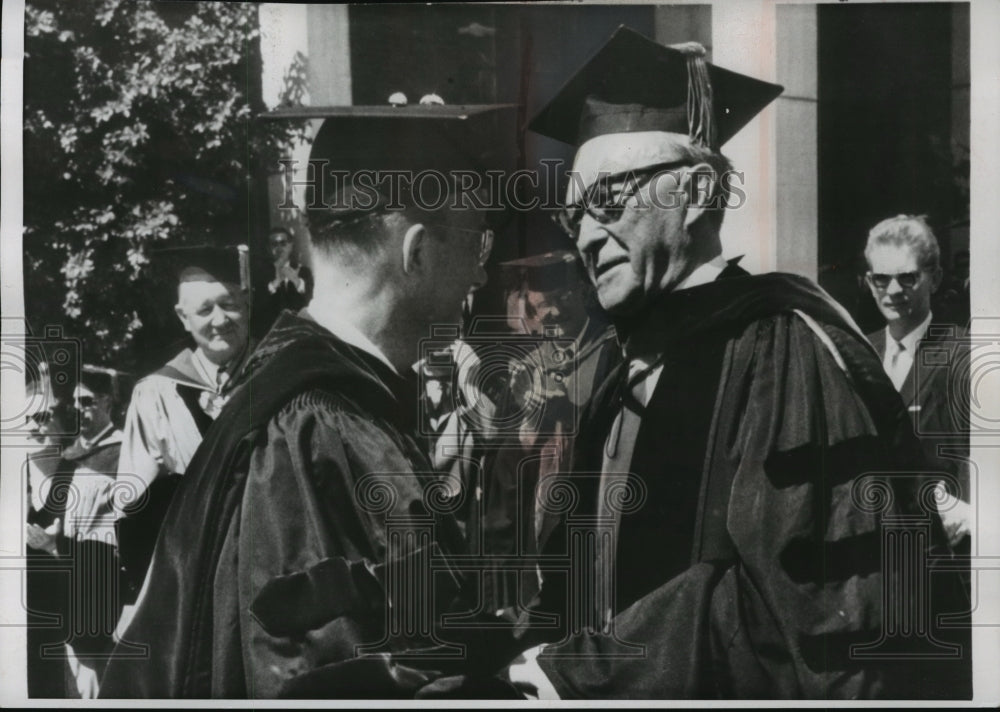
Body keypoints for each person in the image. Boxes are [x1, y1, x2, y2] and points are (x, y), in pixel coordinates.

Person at [506, 26, 969, 699]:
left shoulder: (783, 347)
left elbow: (799, 612)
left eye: (606, 200)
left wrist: (590, 672)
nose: (582, 233)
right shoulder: (619, 366)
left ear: (694, 193)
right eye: (572, 211)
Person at [100, 103, 518, 698]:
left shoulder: (290, 388)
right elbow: (339, 681)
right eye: (475, 246)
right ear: (417, 251)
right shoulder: (324, 424)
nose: (479, 278)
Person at [113, 245, 252, 594]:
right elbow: (135, 504)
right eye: (205, 309)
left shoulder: (281, 376)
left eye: (230, 303)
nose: (220, 320)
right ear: (182, 316)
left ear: (247, 302)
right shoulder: (157, 393)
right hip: (198, 579)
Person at [863, 215, 971, 548]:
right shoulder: (859, 354)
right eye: (881, 279)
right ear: (869, 282)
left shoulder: (962, 356)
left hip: (945, 555)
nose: (893, 290)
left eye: (908, 277)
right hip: (874, 553)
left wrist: (967, 514)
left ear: (935, 279)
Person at [26, 366, 131, 698]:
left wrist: (61, 548)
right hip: (55, 607)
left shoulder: (115, 459)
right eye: (75, 402)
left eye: (88, 401)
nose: (80, 410)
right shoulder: (57, 465)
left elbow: (123, 540)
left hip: (99, 607)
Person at [259, 226, 313, 328]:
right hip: (271, 330)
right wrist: (275, 283)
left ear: (291, 246)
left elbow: (311, 302)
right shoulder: (261, 273)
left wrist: (296, 281)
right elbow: (259, 307)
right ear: (268, 249)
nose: (279, 248)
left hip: (299, 329)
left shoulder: (303, 271)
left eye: (283, 243)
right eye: (274, 244)